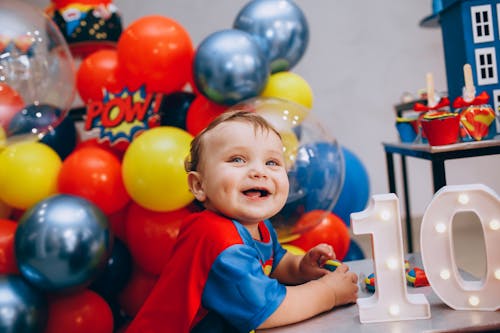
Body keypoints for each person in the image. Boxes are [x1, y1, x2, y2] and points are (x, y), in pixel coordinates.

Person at [126, 110, 358, 333]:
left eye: (272, 162)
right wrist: (329, 293)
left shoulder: (257, 226)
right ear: (199, 186)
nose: (259, 172)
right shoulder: (218, 239)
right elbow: (269, 310)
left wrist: (299, 267)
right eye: (237, 159)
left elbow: (274, 262)